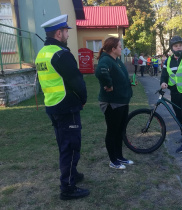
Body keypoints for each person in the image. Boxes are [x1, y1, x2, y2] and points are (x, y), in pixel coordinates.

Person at [35, 14, 89, 200]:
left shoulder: (42, 53)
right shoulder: (61, 54)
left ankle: (72, 174)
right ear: (59, 33)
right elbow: (77, 81)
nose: (67, 35)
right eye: (66, 31)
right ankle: (67, 187)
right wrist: (83, 98)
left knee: (64, 145)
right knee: (71, 147)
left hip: (53, 105)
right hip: (67, 107)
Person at [95, 37, 135, 170]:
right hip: (112, 103)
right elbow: (100, 71)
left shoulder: (116, 60)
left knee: (120, 130)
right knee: (112, 131)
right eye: (119, 46)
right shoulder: (106, 59)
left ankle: (119, 157)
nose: (121, 49)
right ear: (113, 49)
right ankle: (113, 160)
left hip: (122, 101)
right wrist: (108, 84)